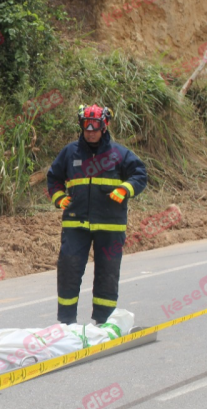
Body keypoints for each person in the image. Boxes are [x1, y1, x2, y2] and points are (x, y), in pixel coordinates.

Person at [47, 104, 147, 325]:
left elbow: (140, 175)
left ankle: (104, 322)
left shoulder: (119, 154)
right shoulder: (70, 152)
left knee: (107, 274)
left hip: (110, 227)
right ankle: (66, 323)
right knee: (69, 270)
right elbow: (53, 178)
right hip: (76, 225)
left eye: (95, 127)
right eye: (86, 126)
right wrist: (59, 198)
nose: (90, 131)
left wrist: (125, 189)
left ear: (105, 126)